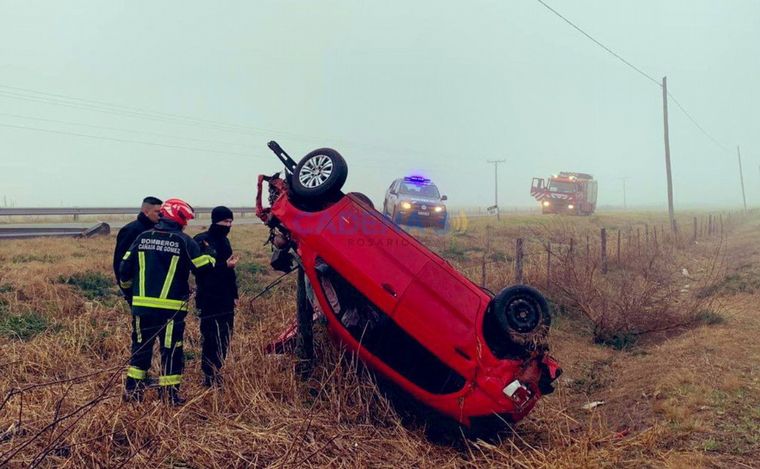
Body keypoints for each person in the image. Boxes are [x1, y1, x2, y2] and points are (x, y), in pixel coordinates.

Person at [118, 198, 215, 405]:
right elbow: (203, 268)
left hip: (142, 308)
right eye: (185, 220)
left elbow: (124, 270)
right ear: (178, 218)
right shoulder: (183, 240)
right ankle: (169, 397)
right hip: (170, 311)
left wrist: (130, 295)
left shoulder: (142, 237)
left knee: (140, 350)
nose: (186, 224)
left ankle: (133, 394)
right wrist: (210, 253)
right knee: (171, 351)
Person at [193, 206, 239, 387]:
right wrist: (224, 266)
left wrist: (234, 294)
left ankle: (217, 369)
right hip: (209, 298)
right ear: (215, 221)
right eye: (225, 221)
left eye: (230, 222)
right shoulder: (202, 240)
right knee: (211, 337)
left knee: (225, 336)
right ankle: (208, 374)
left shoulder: (225, 242)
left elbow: (230, 274)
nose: (228, 225)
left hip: (226, 298)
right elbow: (201, 270)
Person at [113, 196, 163, 304]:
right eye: (157, 212)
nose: (160, 215)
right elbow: (120, 262)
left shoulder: (159, 231)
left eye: (162, 212)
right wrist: (127, 290)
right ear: (146, 211)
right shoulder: (131, 231)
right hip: (136, 290)